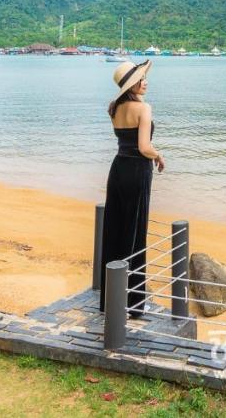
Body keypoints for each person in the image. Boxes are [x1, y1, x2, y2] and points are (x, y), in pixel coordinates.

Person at [98, 60, 164, 315]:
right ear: (132, 84)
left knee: (115, 231)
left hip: (118, 169)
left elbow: (127, 143)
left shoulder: (114, 108)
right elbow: (144, 147)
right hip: (137, 171)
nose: (146, 82)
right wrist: (158, 155)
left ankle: (110, 299)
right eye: (142, 79)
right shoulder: (143, 108)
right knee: (136, 234)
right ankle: (135, 304)